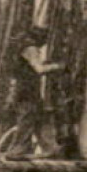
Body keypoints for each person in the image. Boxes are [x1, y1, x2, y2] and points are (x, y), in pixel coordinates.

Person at [10, 26, 64, 157]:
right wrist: (56, 66)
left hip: (28, 88)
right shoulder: (31, 48)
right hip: (27, 89)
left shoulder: (24, 47)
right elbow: (39, 69)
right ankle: (18, 150)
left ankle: (50, 147)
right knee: (27, 118)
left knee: (40, 118)